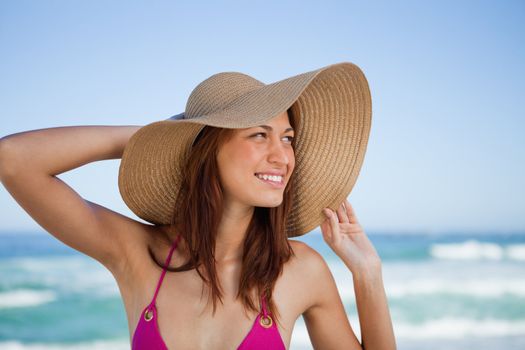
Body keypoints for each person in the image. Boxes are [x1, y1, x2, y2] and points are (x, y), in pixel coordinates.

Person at [0, 62, 396, 349]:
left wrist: (367, 273)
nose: (283, 156)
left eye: (288, 138)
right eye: (260, 134)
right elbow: (13, 160)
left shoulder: (300, 270)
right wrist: (159, 138)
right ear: (208, 150)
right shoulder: (138, 254)